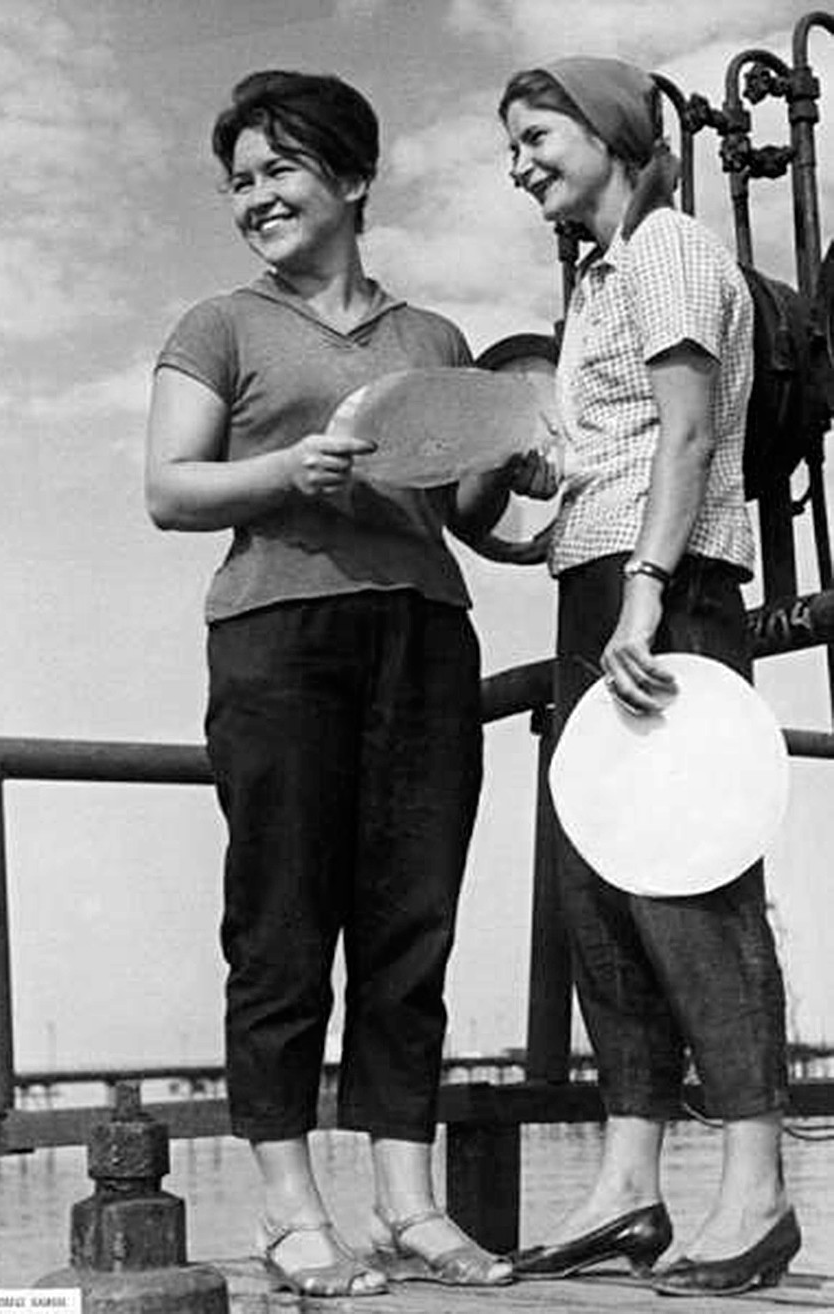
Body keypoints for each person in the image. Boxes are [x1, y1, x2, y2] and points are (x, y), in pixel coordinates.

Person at [145, 69, 521, 1299]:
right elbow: (171, 488)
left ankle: (408, 1207)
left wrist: (523, 459)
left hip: (425, 638)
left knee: (413, 928)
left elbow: (457, 505)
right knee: (283, 924)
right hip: (278, 637)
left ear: (354, 179)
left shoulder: (436, 342)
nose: (256, 197)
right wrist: (288, 472)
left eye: (279, 171)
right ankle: (290, 1212)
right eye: (240, 181)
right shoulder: (220, 325)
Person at [498, 57, 800, 1296]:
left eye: (538, 136)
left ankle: (760, 1190)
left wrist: (645, 593)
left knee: (688, 882)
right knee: (600, 892)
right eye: (508, 149)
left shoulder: (671, 244)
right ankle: (630, 1186)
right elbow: (624, 439)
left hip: (658, 588)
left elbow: (686, 430)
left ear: (612, 131)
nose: (521, 165)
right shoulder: (602, 277)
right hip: (603, 575)